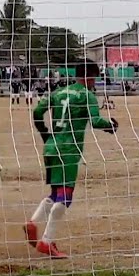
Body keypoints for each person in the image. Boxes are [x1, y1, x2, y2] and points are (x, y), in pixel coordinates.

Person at [23, 59, 119, 259]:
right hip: (69, 149)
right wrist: (110, 125)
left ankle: (32, 222)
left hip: (51, 146)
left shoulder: (58, 92)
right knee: (66, 196)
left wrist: (44, 132)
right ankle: (46, 242)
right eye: (95, 78)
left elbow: (38, 111)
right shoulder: (87, 95)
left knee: (56, 192)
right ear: (90, 76)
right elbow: (95, 121)